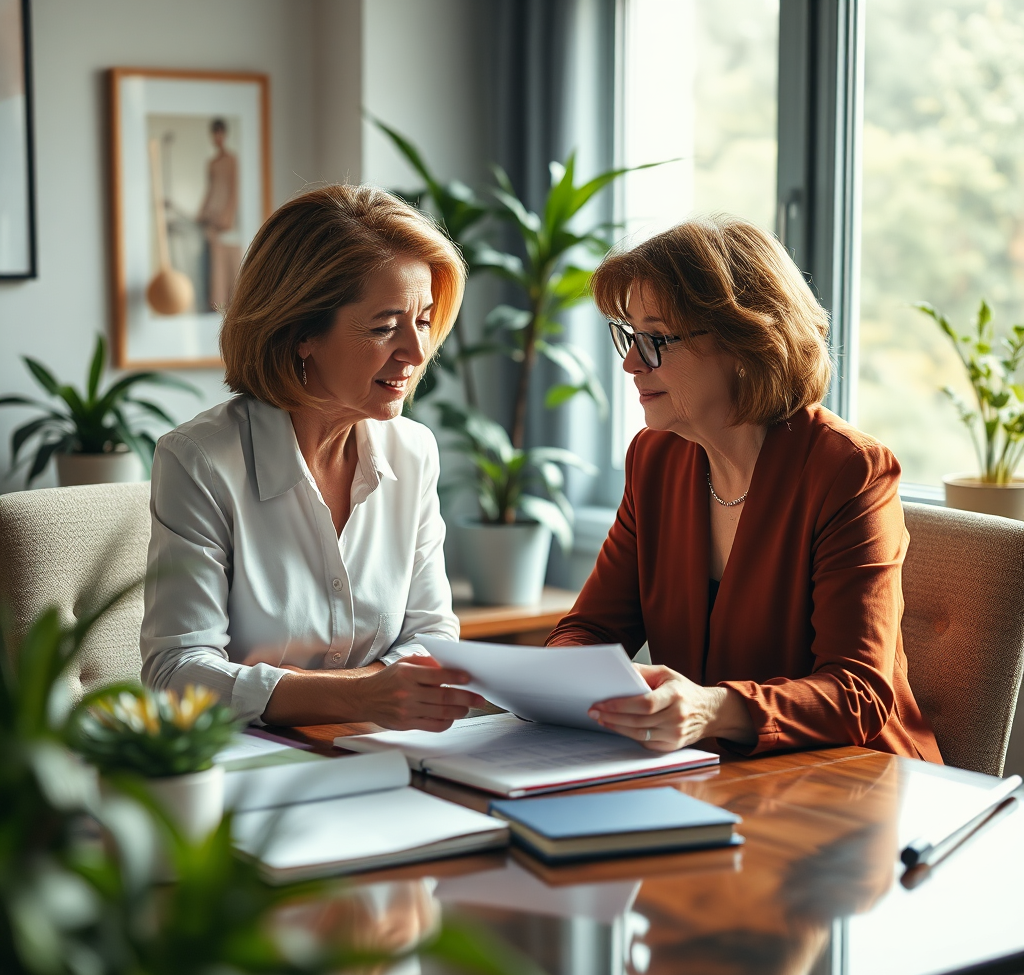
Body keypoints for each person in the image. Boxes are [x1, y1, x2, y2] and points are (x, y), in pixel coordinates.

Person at [546, 216, 941, 761]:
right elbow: (589, 627)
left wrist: (712, 708)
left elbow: (859, 695)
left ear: (745, 342)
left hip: (856, 787)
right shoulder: (654, 459)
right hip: (716, 774)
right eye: (629, 336)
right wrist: (567, 678)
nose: (632, 363)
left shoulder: (850, 471)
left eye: (656, 339)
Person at [141, 184, 484, 729]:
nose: (417, 354)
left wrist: (377, 697)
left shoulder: (414, 452)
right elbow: (176, 671)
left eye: (422, 321)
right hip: (252, 768)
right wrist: (358, 697)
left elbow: (431, 633)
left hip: (382, 750)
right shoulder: (200, 461)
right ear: (302, 333)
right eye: (384, 326)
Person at [197, 118, 241, 311]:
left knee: (231, 264)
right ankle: (217, 306)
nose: (217, 138)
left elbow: (234, 190)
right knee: (215, 264)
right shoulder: (212, 163)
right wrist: (202, 212)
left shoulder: (233, 161)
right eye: (214, 134)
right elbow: (210, 190)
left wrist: (227, 217)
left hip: (227, 221)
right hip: (212, 218)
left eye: (220, 133)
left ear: (225, 135)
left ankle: (230, 305)